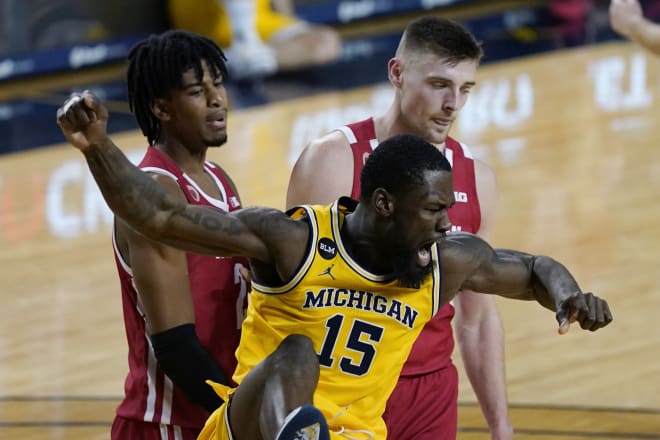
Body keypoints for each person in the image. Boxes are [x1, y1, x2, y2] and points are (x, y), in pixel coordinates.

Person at [57, 90, 613, 440]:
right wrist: (97, 148)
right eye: (434, 211)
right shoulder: (293, 240)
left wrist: (568, 296)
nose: (447, 225)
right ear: (383, 205)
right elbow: (158, 217)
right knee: (297, 352)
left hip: (358, 434)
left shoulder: (446, 261)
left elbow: (534, 267)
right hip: (246, 428)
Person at [286, 16, 509, 439]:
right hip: (343, 390)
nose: (453, 104)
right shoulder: (334, 162)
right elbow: (292, 303)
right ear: (397, 73)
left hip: (430, 391)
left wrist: (501, 427)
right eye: (440, 85)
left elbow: (476, 318)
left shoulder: (476, 178)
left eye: (465, 89)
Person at [104, 30, 250, 439]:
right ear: (161, 109)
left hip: (217, 412)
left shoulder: (220, 181)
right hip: (169, 422)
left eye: (217, 83)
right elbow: (176, 346)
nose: (217, 98)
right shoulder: (153, 193)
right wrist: (241, 415)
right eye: (196, 91)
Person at [167, 0, 342, 80]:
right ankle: (244, 46)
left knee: (326, 42)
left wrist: (294, 37)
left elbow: (285, 14)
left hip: (261, 25)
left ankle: (246, 61)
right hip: (209, 19)